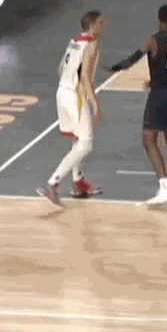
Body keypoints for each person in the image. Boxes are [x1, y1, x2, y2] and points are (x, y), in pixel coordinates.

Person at [107, 4, 167, 205]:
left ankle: (164, 186)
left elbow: (132, 60)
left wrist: (114, 67)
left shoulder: (152, 40)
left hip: (160, 93)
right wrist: (160, 78)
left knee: (148, 139)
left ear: (159, 18)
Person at [38, 10, 106, 206]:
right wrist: (94, 102)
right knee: (86, 143)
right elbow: (84, 77)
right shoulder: (92, 44)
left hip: (62, 92)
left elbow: (61, 68)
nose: (104, 26)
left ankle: (79, 182)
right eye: (101, 22)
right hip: (75, 96)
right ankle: (52, 183)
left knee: (78, 139)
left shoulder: (75, 41)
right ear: (93, 25)